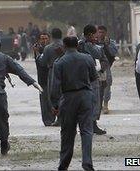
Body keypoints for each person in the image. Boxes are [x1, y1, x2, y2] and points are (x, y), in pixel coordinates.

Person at [51, 37, 97, 171]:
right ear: (77, 45)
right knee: (87, 131)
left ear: (64, 46)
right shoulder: (87, 58)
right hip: (85, 96)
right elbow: (94, 77)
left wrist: (55, 104)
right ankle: (87, 162)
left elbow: (55, 86)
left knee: (67, 132)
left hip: (68, 97)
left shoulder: (59, 62)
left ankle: (64, 164)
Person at [78, 24, 109, 135]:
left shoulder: (95, 45)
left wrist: (101, 68)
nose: (97, 36)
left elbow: (104, 59)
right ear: (91, 34)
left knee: (96, 101)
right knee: (85, 103)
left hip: (95, 77)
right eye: (95, 33)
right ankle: (86, 125)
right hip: (83, 78)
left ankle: (93, 123)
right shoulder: (81, 45)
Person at [38, 28, 64, 126]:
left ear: (51, 36)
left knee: (53, 94)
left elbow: (43, 62)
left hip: (52, 71)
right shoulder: (65, 45)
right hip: (65, 72)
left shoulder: (48, 48)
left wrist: (38, 55)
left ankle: (57, 118)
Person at [96, 25, 118, 114]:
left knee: (107, 84)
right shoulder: (94, 42)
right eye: (99, 32)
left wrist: (107, 44)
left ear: (105, 33)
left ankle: (105, 104)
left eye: (102, 32)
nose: (100, 34)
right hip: (96, 65)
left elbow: (114, 52)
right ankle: (99, 104)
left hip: (106, 66)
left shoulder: (110, 42)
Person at [33, 32, 52, 127]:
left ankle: (53, 118)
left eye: (46, 38)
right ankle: (47, 120)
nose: (44, 40)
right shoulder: (37, 50)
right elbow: (39, 63)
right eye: (42, 39)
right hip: (42, 78)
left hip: (52, 78)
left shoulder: (51, 49)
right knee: (44, 100)